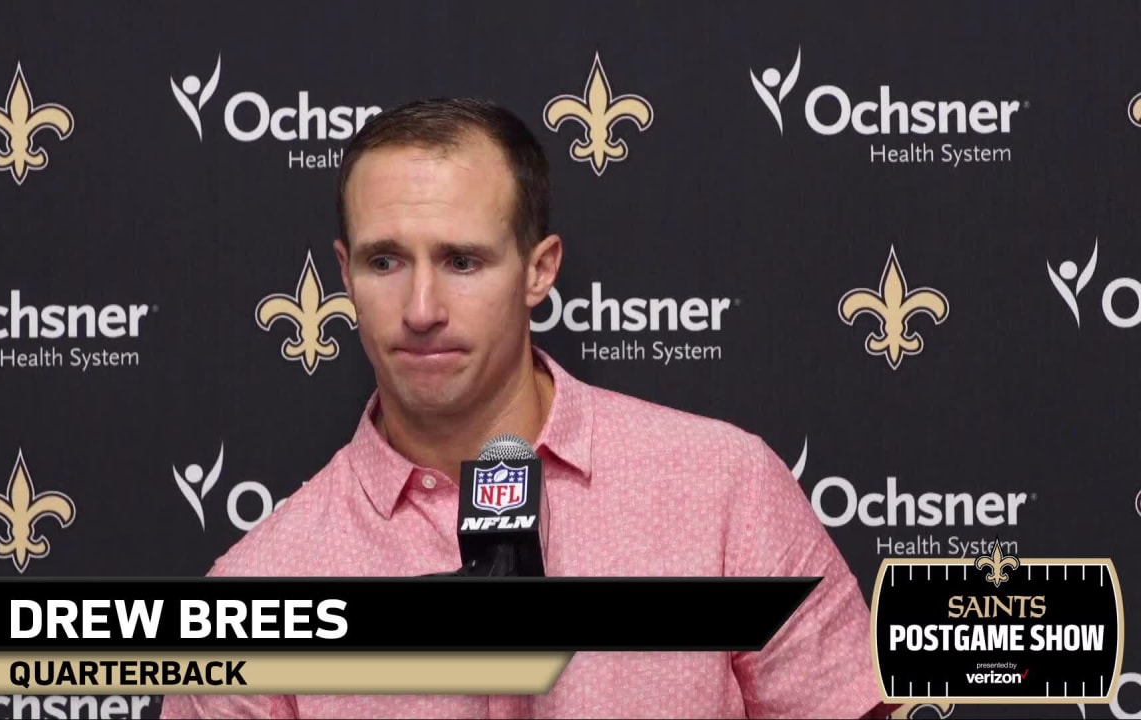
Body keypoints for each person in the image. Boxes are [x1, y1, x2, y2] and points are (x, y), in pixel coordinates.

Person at [160, 97, 897, 719]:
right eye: (385, 261)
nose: (421, 309)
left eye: (462, 261)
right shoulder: (257, 592)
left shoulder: (721, 487)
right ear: (344, 274)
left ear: (538, 270)